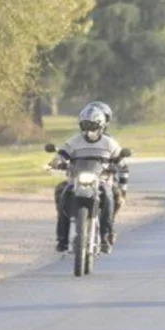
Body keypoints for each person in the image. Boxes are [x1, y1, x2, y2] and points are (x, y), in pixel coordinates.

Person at [52, 104, 128, 254]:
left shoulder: (109, 143)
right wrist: (57, 163)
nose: (89, 130)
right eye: (85, 126)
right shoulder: (74, 141)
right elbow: (61, 155)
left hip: (101, 181)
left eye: (93, 126)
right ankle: (62, 239)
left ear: (101, 126)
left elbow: (122, 164)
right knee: (62, 196)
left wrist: (116, 167)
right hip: (76, 180)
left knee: (108, 196)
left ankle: (105, 235)